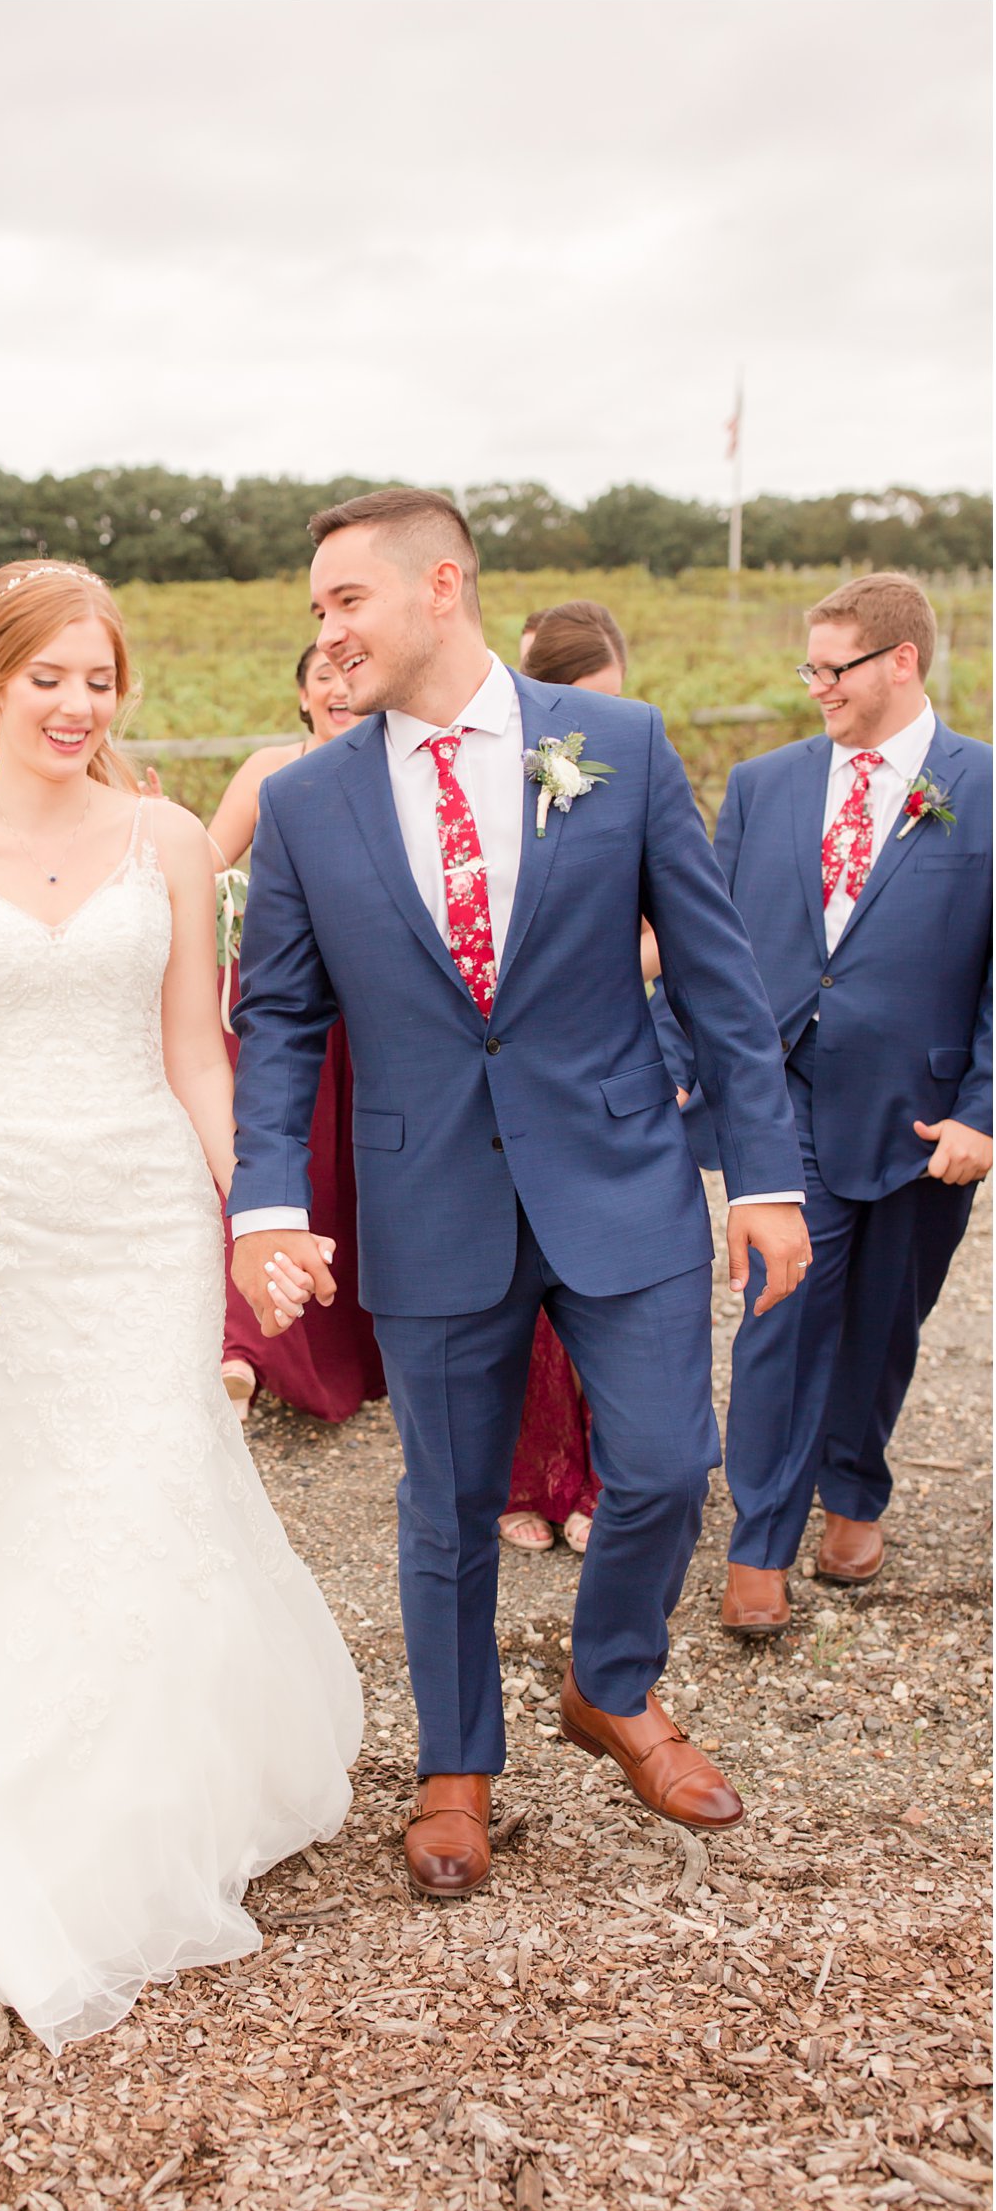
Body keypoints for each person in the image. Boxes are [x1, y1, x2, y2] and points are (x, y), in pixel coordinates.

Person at [0, 562, 362, 2053]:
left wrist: (256, 1209)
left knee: (144, 1480)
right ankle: (6, 1786)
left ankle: (156, 1791)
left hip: (145, 1211)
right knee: (8, 1486)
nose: (79, 707)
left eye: (101, 681)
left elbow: (200, 1057)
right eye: (51, 680)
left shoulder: (166, 837)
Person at [229, 488, 811, 1899]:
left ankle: (611, 1683)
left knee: (672, 1463)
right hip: (428, 1193)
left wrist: (768, 1176)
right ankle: (456, 1764)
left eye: (344, 601)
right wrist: (261, 1203)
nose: (327, 631)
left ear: (441, 588)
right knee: (446, 1502)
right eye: (316, 612)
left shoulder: (618, 744)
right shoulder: (310, 802)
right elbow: (285, 1017)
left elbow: (723, 981)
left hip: (621, 1171)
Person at [650, 574, 991, 1635]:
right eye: (808, 667)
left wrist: (982, 1106)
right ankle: (759, 1539)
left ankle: (852, 1484)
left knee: (886, 1321)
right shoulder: (761, 786)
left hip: (918, 1113)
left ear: (900, 661)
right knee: (775, 1312)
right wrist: (671, 1055)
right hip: (776, 1098)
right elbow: (703, 944)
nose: (814, 689)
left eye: (831, 668)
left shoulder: (980, 786)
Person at [205, 645, 387, 1425]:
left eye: (350, 674)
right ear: (303, 693)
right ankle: (244, 1347)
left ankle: (350, 1348)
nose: (338, 687)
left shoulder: (393, 767)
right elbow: (210, 865)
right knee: (276, 1165)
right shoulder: (270, 770)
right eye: (322, 676)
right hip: (283, 1000)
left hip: (372, 1005)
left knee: (354, 1176)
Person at [496, 600, 638, 1556]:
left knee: (607, 1292)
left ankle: (597, 1477)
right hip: (514, 1076)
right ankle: (529, 1477)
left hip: (609, 1066)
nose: (602, 725)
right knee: (520, 1309)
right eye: (586, 703)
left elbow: (679, 931)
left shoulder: (632, 769)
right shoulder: (486, 779)